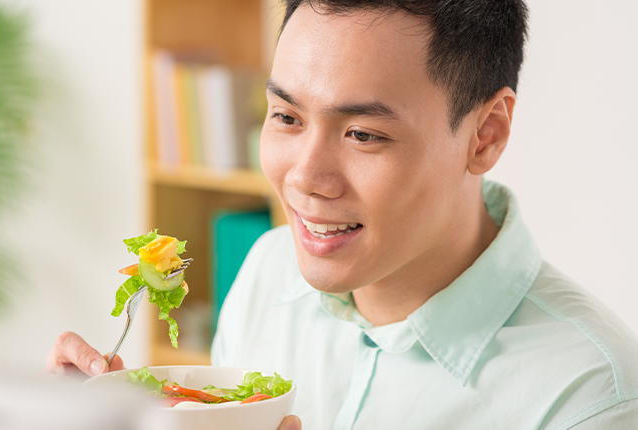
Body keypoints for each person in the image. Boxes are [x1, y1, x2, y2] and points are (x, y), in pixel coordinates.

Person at [45, 0, 638, 428]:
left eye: (361, 134)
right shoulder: (266, 273)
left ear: (485, 134)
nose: (303, 177)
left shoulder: (590, 397)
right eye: (286, 117)